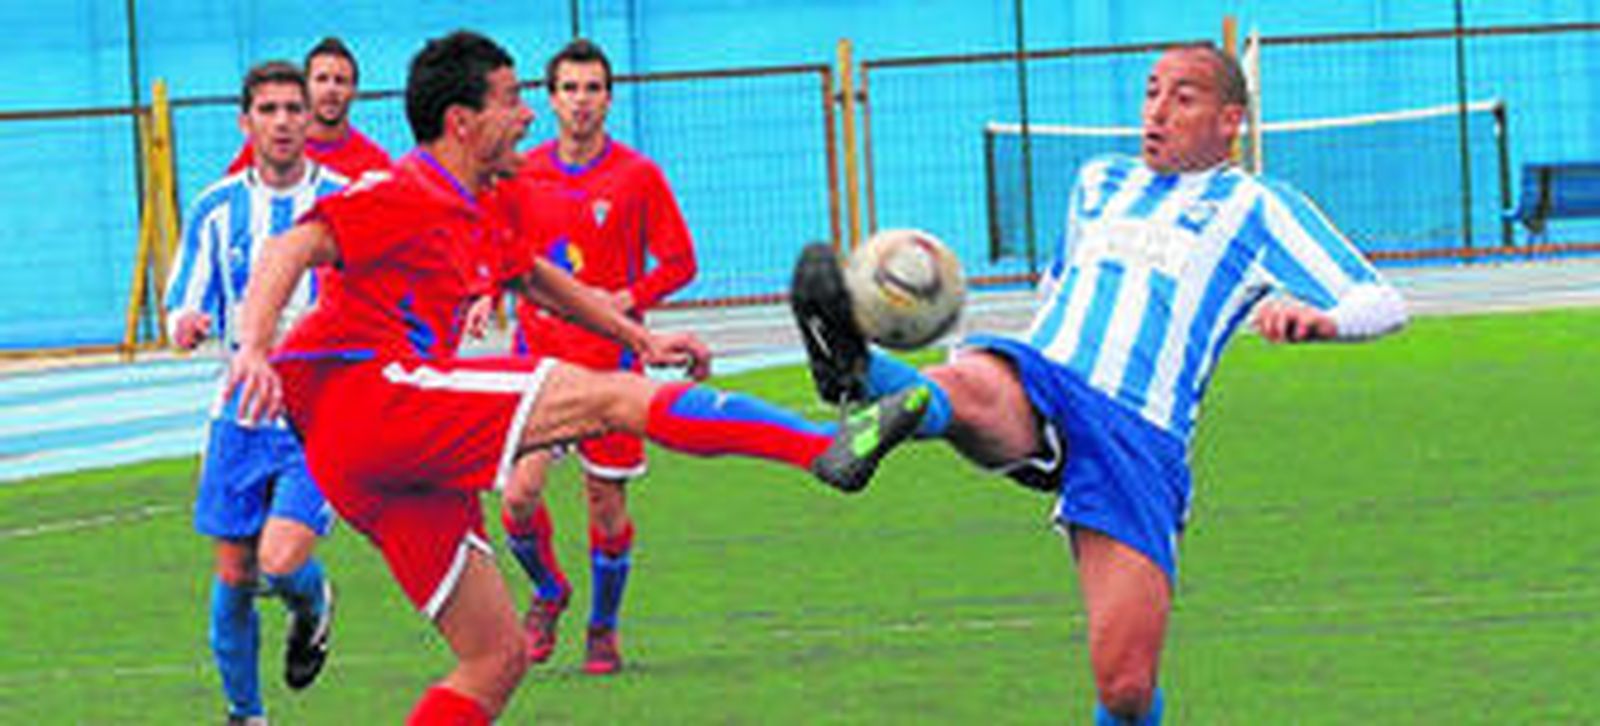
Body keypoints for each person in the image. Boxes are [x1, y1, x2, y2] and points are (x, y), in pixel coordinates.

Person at [226, 30, 926, 724]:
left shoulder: (483, 201)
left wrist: (637, 336)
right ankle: (821, 448)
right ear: (462, 124)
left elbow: (532, 276)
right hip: (367, 398)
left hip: (369, 456)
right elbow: (293, 245)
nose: (529, 114)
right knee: (611, 398)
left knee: (493, 659)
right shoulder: (403, 190)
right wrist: (253, 348)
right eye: (511, 100)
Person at [789, 43, 1408, 725]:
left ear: (1230, 120)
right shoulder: (1096, 183)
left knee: (1126, 689)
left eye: (1183, 97)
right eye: (1151, 92)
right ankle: (868, 377)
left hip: (1139, 433)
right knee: (977, 384)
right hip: (1046, 375)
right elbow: (1061, 290)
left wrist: (1320, 320)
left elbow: (1380, 300)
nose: (1157, 111)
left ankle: (879, 381)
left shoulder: (1257, 205)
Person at [494, 38, 698, 675]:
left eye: (593, 89)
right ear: (550, 98)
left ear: (609, 97)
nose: (581, 102)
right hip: (537, 363)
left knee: (605, 508)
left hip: (610, 365)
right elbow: (498, 254)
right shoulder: (521, 174)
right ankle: (550, 591)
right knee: (518, 499)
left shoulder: (638, 176)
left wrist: (629, 297)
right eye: (569, 89)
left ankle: (603, 630)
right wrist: (483, 294)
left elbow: (681, 262)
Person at [163, 60, 345, 726]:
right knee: (236, 571)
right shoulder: (217, 206)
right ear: (247, 122)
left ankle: (313, 597)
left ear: (310, 119)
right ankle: (247, 714)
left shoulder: (343, 201)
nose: (283, 122)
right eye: (268, 110)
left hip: (318, 416)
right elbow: (183, 298)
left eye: (294, 109)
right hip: (239, 415)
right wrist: (185, 323)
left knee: (281, 557)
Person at [227, 37, 391, 179]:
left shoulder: (375, 162)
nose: (331, 89)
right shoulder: (263, 150)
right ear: (305, 88)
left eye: (340, 81)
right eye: (322, 79)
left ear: (354, 92)